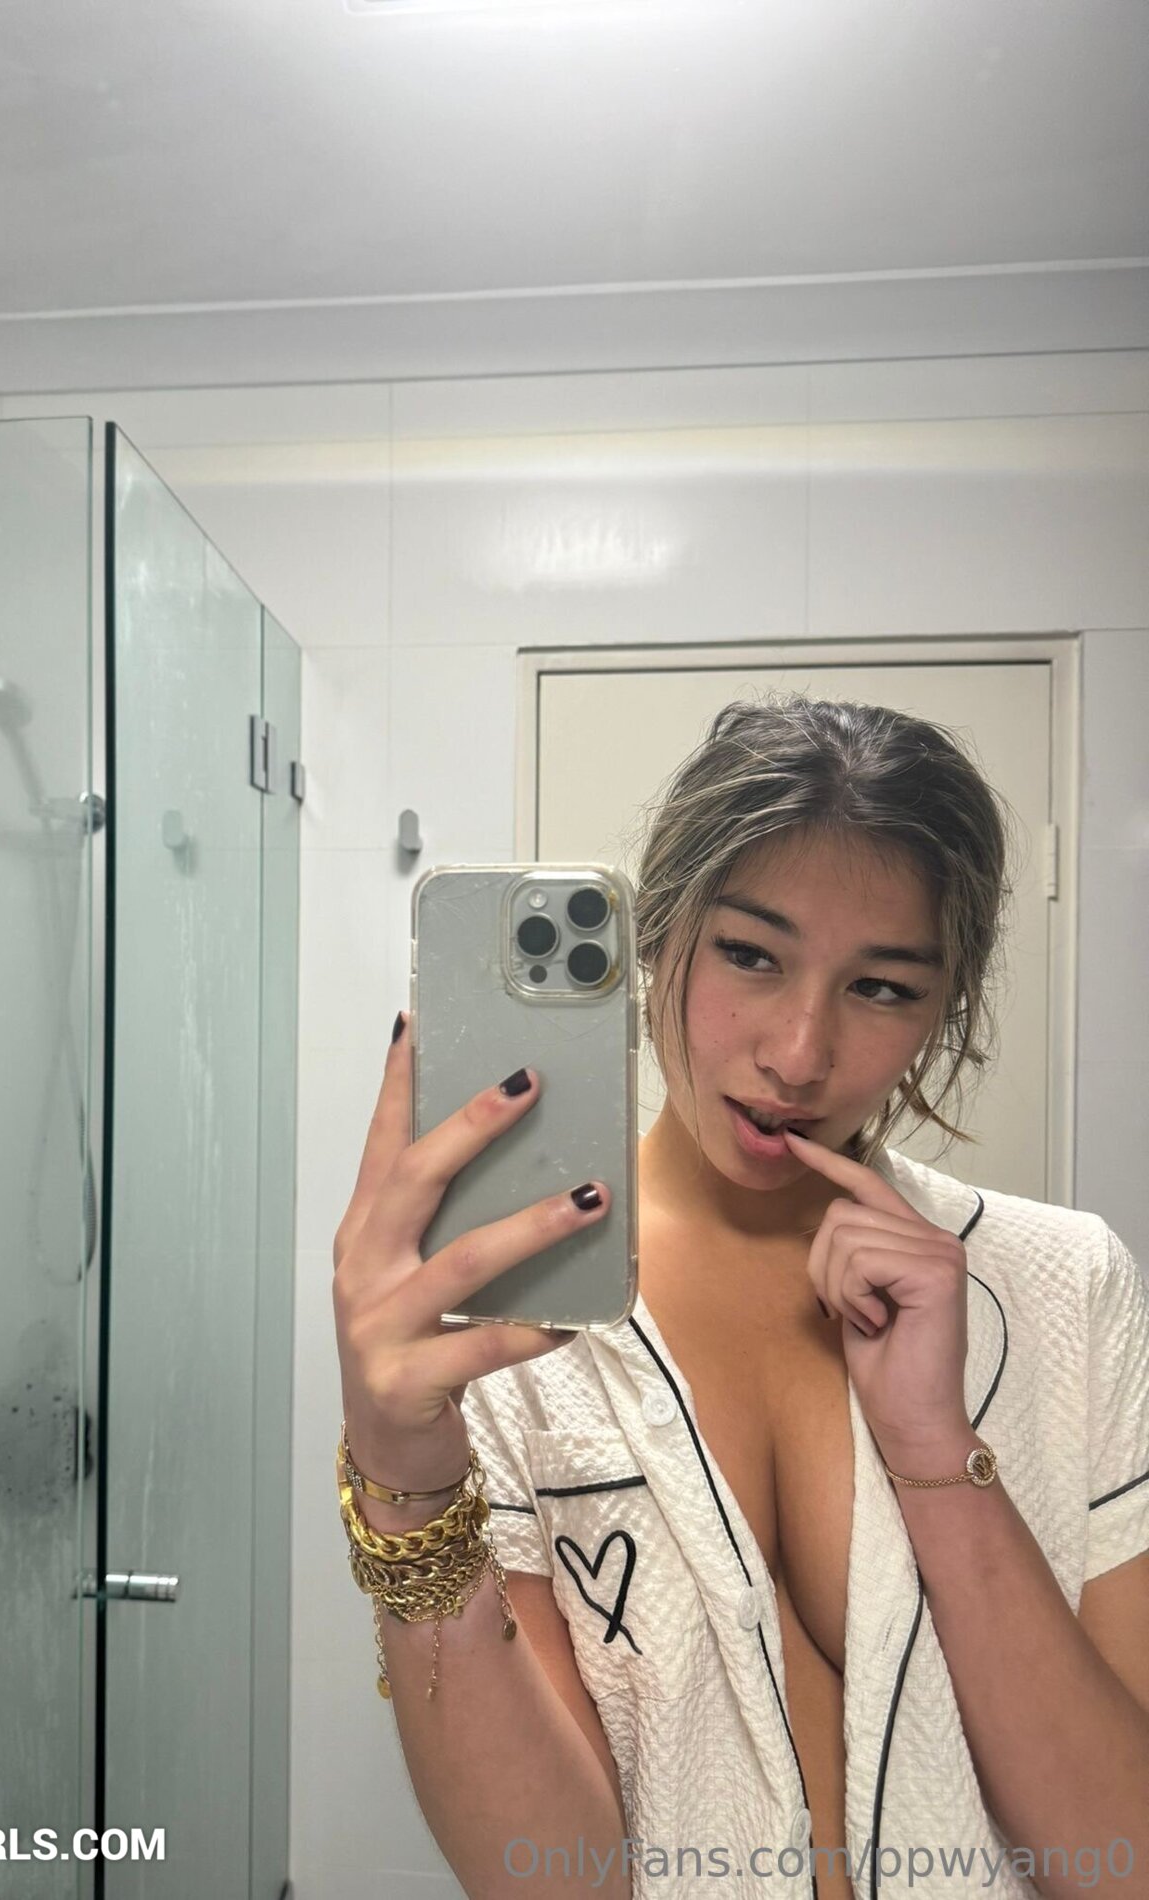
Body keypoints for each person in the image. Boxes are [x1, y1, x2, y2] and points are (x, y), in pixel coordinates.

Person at [331, 693, 1149, 1900]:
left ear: (946, 1006)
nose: (800, 1053)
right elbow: (551, 1882)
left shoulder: (1064, 1284)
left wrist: (937, 1448)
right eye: (751, 955)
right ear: (658, 932)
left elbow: (1122, 1861)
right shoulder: (507, 1321)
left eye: (883, 987)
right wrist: (403, 1476)